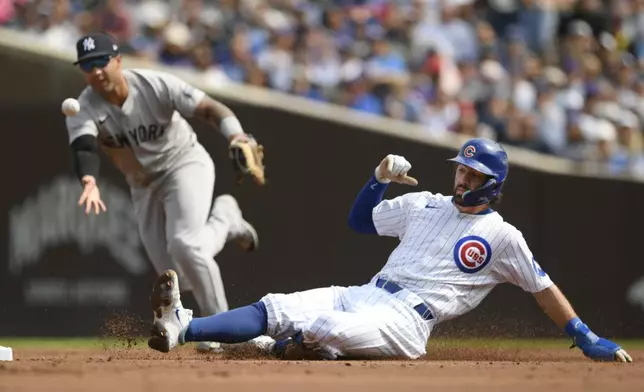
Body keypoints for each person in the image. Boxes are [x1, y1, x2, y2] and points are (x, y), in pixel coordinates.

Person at [146, 137, 632, 363]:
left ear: (492, 184)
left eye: (472, 175)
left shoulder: (503, 236)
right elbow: (359, 221)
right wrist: (377, 181)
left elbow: (543, 288)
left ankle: (292, 349)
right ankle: (185, 326)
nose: (461, 179)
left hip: (407, 321)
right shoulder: (425, 202)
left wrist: (584, 335)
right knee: (276, 306)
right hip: (366, 293)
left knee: (320, 328)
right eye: (460, 170)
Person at [65, 32, 263, 353]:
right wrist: (89, 179)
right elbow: (83, 147)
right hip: (143, 185)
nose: (97, 70)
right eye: (88, 65)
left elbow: (210, 108)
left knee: (185, 244)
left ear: (117, 60)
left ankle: (224, 330)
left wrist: (236, 135)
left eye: (101, 60)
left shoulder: (154, 84)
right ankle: (225, 219)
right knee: (176, 278)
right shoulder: (83, 106)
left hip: (184, 164)